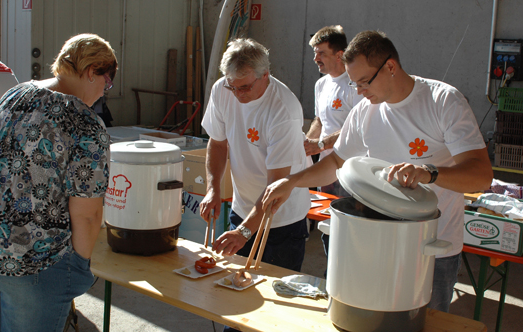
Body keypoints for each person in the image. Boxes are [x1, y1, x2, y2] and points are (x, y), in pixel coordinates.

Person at [260, 30, 493, 313]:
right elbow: (335, 164)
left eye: (364, 82)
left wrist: (429, 173)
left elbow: (481, 176)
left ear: (391, 67)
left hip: (431, 247)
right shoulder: (364, 112)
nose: (358, 92)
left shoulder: (443, 101)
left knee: (426, 323)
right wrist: (292, 182)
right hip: (376, 244)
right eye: (353, 84)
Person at [0, 33, 117, 332]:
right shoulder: (86, 123)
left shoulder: (15, 94)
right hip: (34, 263)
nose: (105, 91)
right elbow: (88, 214)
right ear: (93, 72)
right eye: (108, 81)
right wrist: (79, 267)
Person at [199, 38, 310, 271]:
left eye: (245, 87)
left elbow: (277, 187)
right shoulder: (222, 89)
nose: (238, 94)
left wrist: (245, 231)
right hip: (243, 210)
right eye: (233, 86)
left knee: (275, 298)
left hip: (281, 220)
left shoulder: (283, 109)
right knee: (233, 287)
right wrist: (213, 189)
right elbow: (218, 144)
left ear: (265, 76)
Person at [304, 25, 364, 262]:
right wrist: (308, 140)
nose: (315, 58)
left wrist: (322, 144)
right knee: (327, 223)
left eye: (321, 53)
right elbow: (320, 119)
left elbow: (357, 125)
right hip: (327, 167)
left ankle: (349, 274)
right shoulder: (321, 84)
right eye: (315, 53)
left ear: (339, 54)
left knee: (350, 226)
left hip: (351, 170)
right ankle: (332, 274)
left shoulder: (355, 83)